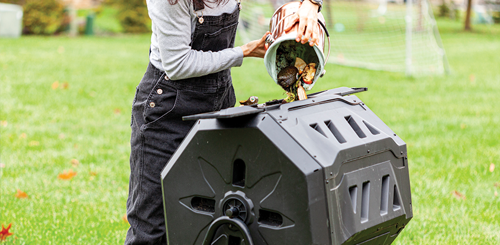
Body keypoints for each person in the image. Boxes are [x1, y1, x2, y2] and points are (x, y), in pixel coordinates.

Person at [125, 0, 322, 243]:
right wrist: (243, 51)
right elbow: (177, 64)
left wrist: (311, 5)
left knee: (220, 216)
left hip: (219, 100)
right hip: (168, 110)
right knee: (152, 226)